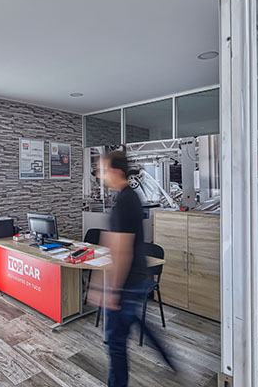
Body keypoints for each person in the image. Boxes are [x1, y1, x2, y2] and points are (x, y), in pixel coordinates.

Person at [94, 150, 174, 387]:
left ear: (115, 171)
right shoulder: (127, 197)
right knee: (135, 323)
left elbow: (122, 250)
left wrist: (112, 290)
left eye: (103, 170)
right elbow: (115, 241)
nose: (100, 175)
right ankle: (169, 359)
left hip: (127, 284)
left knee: (115, 343)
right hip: (135, 279)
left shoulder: (125, 201)